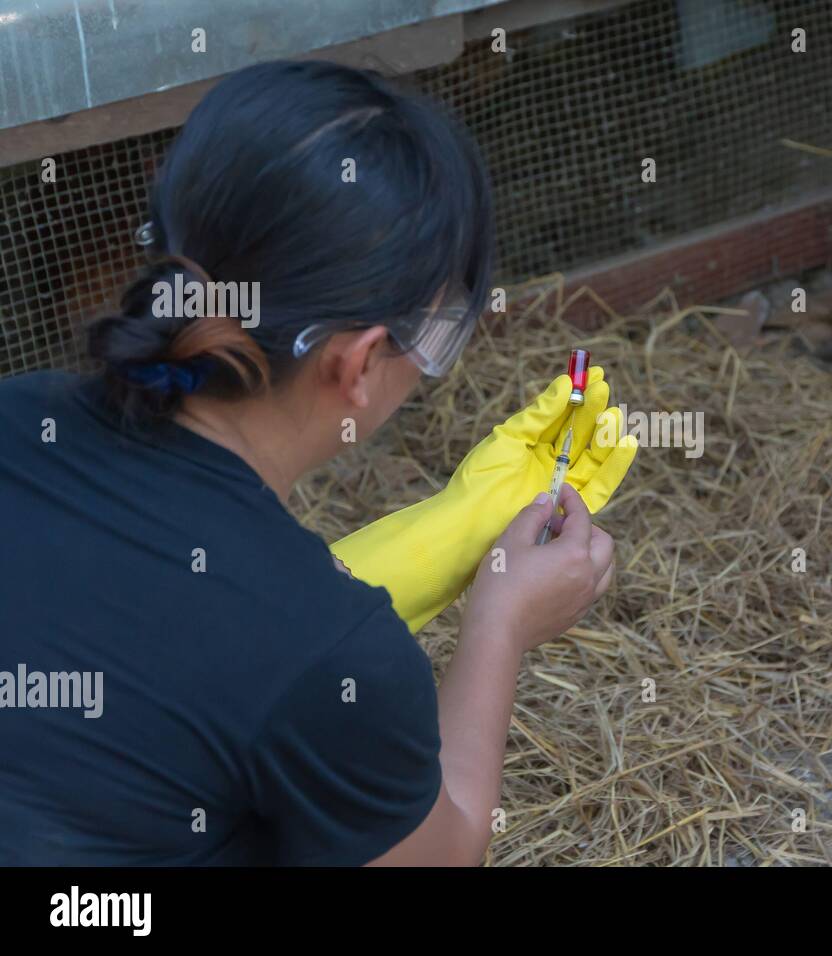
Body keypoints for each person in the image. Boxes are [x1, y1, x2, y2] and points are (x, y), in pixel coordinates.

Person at [0, 60, 636, 865]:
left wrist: (455, 526)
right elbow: (436, 853)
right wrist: (500, 625)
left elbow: (181, 627)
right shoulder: (332, 657)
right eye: (438, 335)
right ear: (361, 363)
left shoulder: (19, 414)